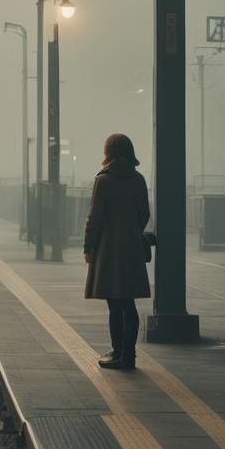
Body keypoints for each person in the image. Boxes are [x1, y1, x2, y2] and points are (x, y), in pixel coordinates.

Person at [83, 133, 151, 370]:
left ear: (108, 152)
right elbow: (145, 213)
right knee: (128, 303)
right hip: (131, 247)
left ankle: (117, 351)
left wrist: (88, 247)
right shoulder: (138, 179)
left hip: (108, 249)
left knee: (114, 303)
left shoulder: (104, 180)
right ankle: (129, 355)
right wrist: (132, 231)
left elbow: (95, 218)